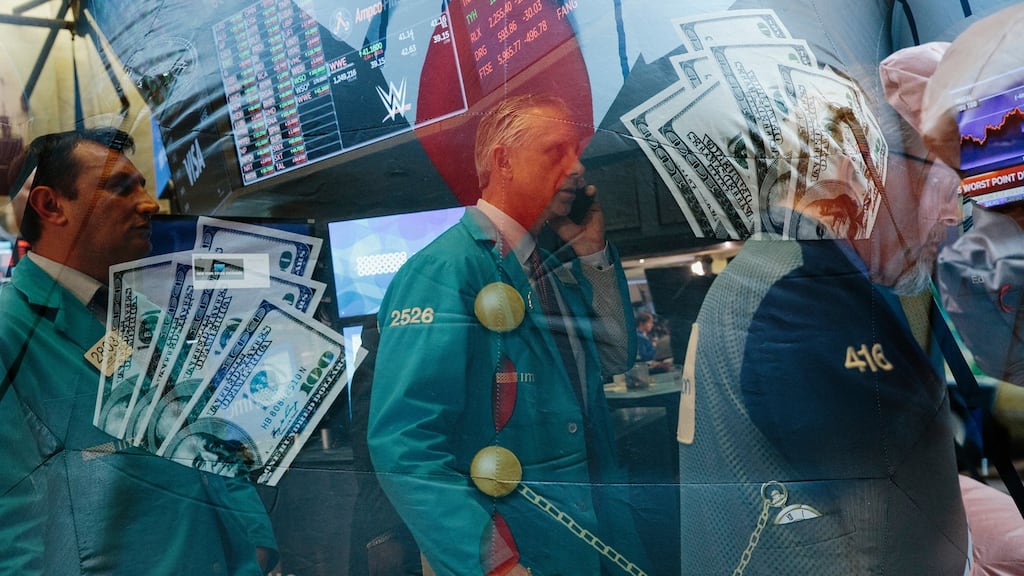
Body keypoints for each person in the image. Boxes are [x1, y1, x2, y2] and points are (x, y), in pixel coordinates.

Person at [676, 50, 970, 574]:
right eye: (947, 185)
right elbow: (889, 528)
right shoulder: (806, 296)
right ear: (874, 169)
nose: (953, 214)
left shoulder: (779, 266)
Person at [368, 94, 649, 576]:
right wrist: (492, 564)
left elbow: (614, 357)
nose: (578, 166)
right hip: (518, 549)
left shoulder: (546, 268)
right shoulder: (444, 270)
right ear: (504, 162)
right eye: (556, 152)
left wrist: (591, 251)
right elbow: (405, 446)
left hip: (588, 538)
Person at [0, 128, 277, 575]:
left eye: (144, 187)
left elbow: (207, 436)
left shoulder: (145, 317)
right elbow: (9, 521)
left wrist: (255, 539)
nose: (149, 204)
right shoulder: (10, 333)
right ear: (51, 205)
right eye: (120, 188)